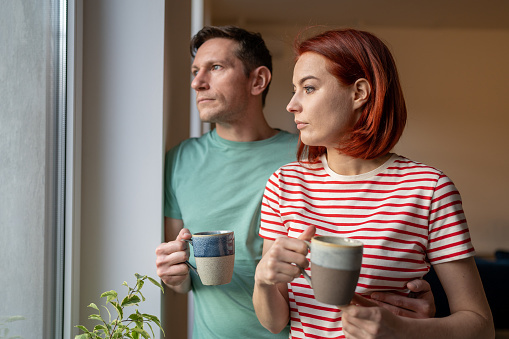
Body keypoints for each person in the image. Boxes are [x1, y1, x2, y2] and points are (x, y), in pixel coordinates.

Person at [155, 26, 436, 339]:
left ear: (258, 80)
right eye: (195, 70)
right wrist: (176, 278)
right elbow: (183, 268)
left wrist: (414, 323)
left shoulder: (312, 157)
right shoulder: (180, 161)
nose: (197, 82)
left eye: (216, 67)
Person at [253, 28, 495, 339]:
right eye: (293, 90)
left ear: (359, 93)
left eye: (309, 89)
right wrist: (263, 280)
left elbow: (481, 324)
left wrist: (404, 330)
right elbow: (273, 322)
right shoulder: (284, 184)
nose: (292, 105)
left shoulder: (429, 189)